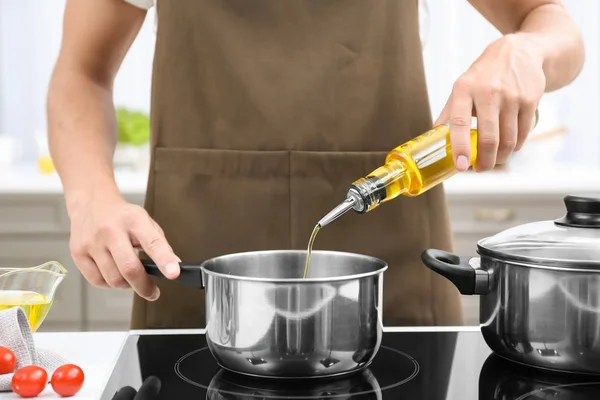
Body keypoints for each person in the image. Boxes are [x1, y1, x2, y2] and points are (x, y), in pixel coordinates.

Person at [47, 0, 584, 329]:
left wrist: (524, 49)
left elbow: (556, 26)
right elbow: (82, 70)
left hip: (391, 273)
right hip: (199, 274)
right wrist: (91, 196)